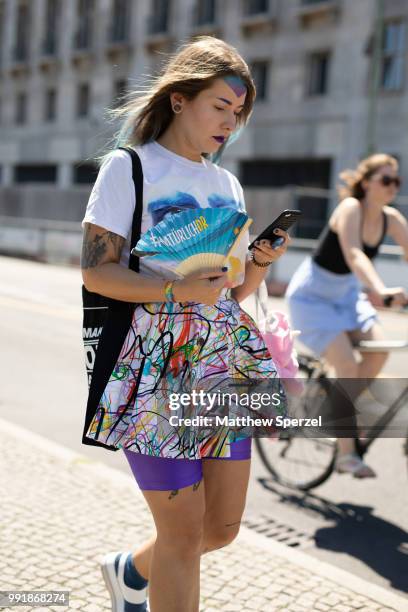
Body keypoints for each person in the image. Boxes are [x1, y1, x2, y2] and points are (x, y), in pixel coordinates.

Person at [80, 37, 290, 612]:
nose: (230, 122)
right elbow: (98, 273)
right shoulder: (130, 169)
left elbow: (231, 290)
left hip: (220, 364)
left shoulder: (227, 185)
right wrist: (173, 289)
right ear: (179, 99)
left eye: (238, 112)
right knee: (181, 533)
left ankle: (129, 573)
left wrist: (260, 264)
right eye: (220, 106)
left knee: (219, 529)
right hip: (152, 368)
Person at [286, 153, 408, 478]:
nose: (392, 186)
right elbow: (354, 254)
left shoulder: (391, 218)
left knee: (381, 350)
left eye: (396, 181)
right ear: (366, 182)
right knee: (347, 365)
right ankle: (346, 454)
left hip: (347, 297)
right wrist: (381, 289)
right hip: (314, 298)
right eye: (385, 179)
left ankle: (336, 412)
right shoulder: (350, 208)